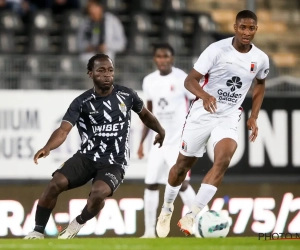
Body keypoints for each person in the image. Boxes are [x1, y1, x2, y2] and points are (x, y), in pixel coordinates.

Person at [24, 53, 165, 239]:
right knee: (55, 184)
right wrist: (48, 147)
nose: (107, 75)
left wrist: (160, 130)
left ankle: (77, 224)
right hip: (87, 157)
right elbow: (63, 130)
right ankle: (37, 232)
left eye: (110, 70)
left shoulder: (127, 95)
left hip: (115, 160)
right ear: (90, 73)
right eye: (101, 70)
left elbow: (145, 115)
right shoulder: (81, 102)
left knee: (98, 194)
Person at [156, 10, 270, 237]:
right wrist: (205, 96)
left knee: (224, 158)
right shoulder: (216, 50)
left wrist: (254, 116)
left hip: (228, 115)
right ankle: (166, 209)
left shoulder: (260, 59)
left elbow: (260, 84)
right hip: (202, 113)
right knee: (181, 168)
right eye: (243, 27)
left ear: (256, 29)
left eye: (251, 28)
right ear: (235, 27)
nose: (247, 32)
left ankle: (191, 215)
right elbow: (190, 80)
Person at [137, 43, 196, 238]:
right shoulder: (149, 81)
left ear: (172, 58)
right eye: (159, 56)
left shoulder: (182, 79)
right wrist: (140, 142)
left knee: (182, 184)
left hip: (178, 141)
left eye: (166, 56)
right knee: (151, 183)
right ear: (155, 59)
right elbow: (149, 114)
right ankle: (148, 232)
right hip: (158, 142)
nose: (162, 60)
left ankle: (200, 224)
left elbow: (195, 105)